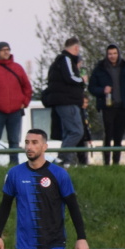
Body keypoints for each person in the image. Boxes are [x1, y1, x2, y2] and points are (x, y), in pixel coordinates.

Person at [87, 44, 125, 165]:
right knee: (108, 136)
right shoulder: (100, 68)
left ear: (118, 54)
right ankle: (106, 163)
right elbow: (91, 87)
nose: (112, 56)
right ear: (106, 55)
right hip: (107, 107)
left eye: (114, 53)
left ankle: (116, 164)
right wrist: (102, 90)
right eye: (110, 54)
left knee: (118, 137)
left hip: (123, 108)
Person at [42, 38, 87, 167]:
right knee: (77, 131)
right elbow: (70, 77)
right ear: (76, 48)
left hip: (63, 101)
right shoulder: (66, 59)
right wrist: (82, 80)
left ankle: (66, 161)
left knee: (68, 132)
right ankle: (61, 158)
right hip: (68, 101)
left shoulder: (58, 62)